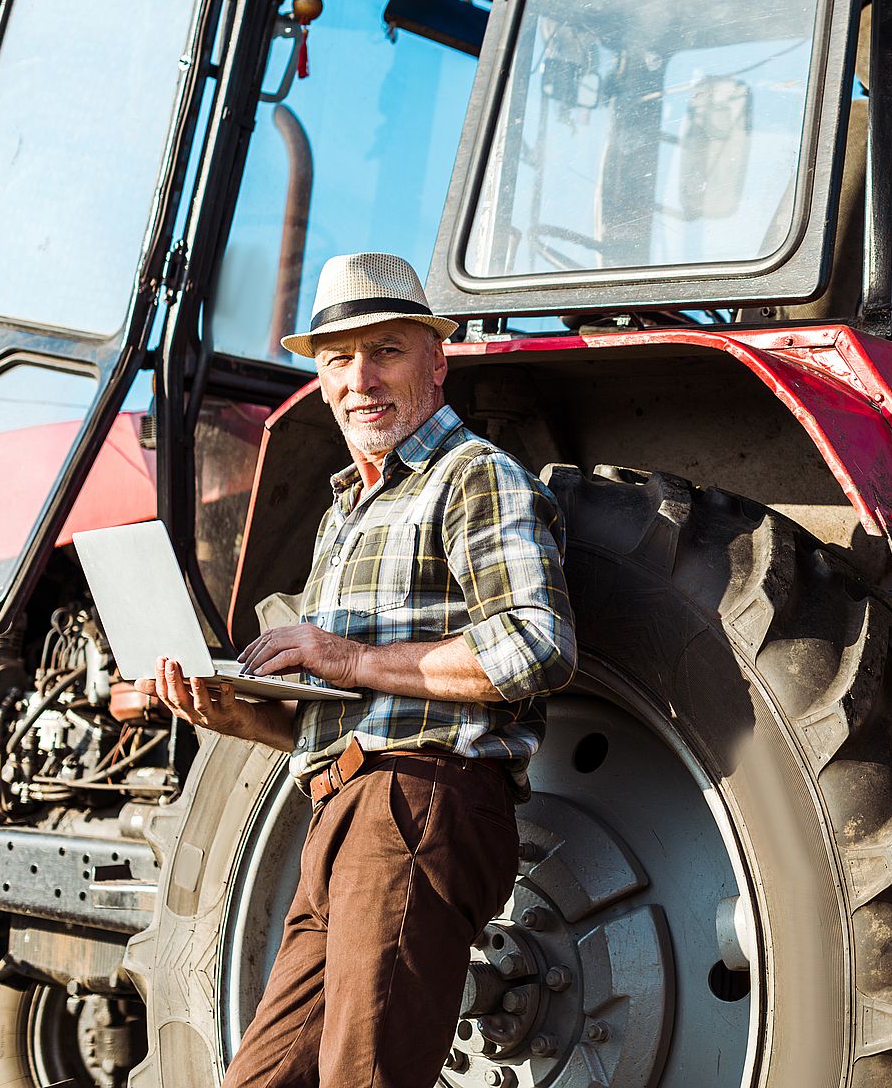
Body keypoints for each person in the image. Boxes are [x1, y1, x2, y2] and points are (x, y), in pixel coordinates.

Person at [138, 251, 576, 1087]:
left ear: (436, 361)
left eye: (386, 351)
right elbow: (328, 711)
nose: (360, 377)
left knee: (364, 1075)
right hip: (336, 813)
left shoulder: (473, 477)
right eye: (339, 358)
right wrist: (217, 707)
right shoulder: (344, 512)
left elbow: (537, 644)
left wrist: (343, 654)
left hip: (418, 799)